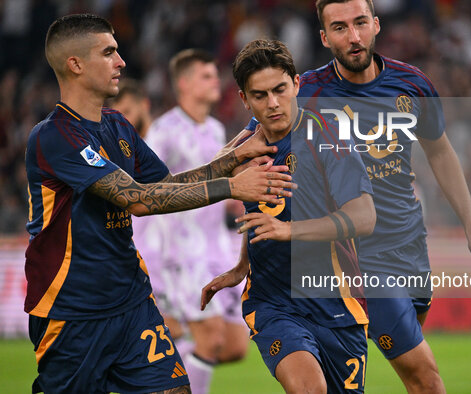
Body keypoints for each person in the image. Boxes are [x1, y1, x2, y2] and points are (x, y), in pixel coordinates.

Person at [25, 14, 292, 394]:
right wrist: (232, 186)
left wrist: (232, 158)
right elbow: (138, 199)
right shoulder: (54, 137)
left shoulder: (117, 126)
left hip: (131, 302)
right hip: (72, 311)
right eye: (109, 53)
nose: (121, 62)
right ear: (76, 64)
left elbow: (166, 185)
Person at [294, 1, 471, 392]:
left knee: (404, 368)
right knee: (425, 376)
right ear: (324, 38)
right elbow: (253, 146)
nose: (353, 37)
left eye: (360, 23)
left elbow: (440, 151)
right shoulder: (304, 92)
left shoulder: (412, 84)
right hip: (356, 256)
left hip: (410, 244)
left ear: (376, 25)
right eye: (340, 28)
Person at [202, 39, 376, 393]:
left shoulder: (329, 139)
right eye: (260, 95)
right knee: (309, 389)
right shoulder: (247, 143)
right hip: (273, 302)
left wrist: (288, 230)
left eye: (280, 90)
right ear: (244, 99)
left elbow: (364, 218)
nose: (273, 103)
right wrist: (242, 266)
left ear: (296, 84)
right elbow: (258, 212)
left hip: (336, 303)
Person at [132, 49, 249, 394]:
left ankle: (155, 377)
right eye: (207, 76)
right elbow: (144, 190)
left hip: (219, 249)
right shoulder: (163, 131)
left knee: (234, 346)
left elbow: (217, 187)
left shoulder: (215, 130)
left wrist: (234, 200)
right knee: (210, 339)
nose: (216, 81)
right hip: (180, 253)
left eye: (215, 75)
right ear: (183, 83)